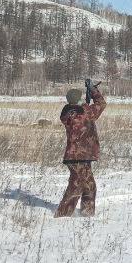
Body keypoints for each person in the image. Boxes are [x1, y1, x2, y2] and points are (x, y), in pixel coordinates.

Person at [56, 78, 105, 217]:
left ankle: (87, 214)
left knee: (89, 185)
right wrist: (94, 90)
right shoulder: (85, 112)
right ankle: (62, 215)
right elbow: (101, 103)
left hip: (78, 156)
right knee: (76, 186)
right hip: (79, 156)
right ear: (78, 100)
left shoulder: (68, 113)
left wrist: (86, 102)